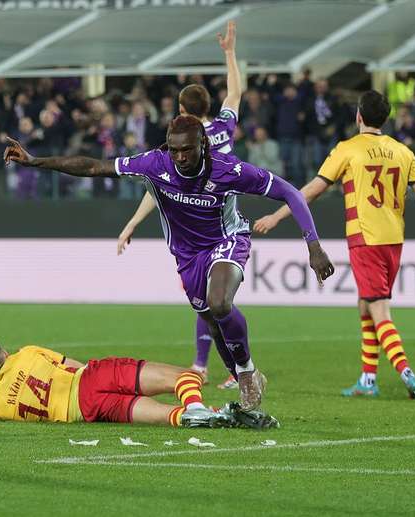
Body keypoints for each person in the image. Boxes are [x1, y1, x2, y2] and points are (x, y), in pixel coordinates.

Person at [4, 114, 334, 411]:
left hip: (227, 241)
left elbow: (290, 192)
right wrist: (36, 162)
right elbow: (93, 166)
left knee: (220, 304)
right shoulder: (154, 164)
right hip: (187, 255)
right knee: (209, 317)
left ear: (202, 144)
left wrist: (314, 245)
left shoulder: (228, 171)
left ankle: (246, 372)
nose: (180, 158)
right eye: (174, 151)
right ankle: (242, 374)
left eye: (187, 150)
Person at [254, 90, 415, 399]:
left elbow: (310, 191)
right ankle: (367, 379)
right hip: (393, 240)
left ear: (359, 116)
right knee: (366, 304)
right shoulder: (403, 151)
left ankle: (407, 373)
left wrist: (277, 215)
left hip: (365, 239)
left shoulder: (348, 150)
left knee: (378, 310)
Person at [117, 21, 242, 390]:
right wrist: (230, 53)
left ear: (182, 110)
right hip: (225, 219)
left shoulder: (182, 145)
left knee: (209, 300)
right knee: (210, 300)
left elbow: (156, 191)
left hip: (197, 226)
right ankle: (213, 366)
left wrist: (132, 224)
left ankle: (224, 366)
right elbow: (234, 93)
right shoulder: (223, 129)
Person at [0, 337, 279, 429]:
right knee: (183, 377)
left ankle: (196, 415)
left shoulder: (0, 403)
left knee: (168, 416)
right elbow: (74, 364)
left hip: (89, 410)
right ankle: (200, 405)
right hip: (94, 377)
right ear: (5, 349)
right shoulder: (30, 352)